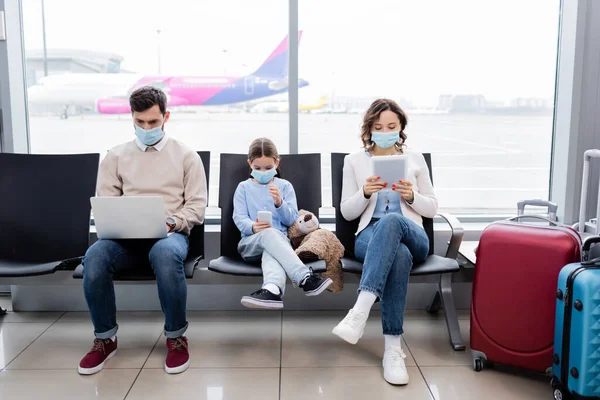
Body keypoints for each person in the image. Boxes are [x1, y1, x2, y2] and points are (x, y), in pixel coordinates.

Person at [78, 86, 207, 376]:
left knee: (164, 253)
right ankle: (104, 338)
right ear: (132, 117)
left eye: (152, 122)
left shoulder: (186, 156)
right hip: (124, 239)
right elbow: (106, 203)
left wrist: (172, 223)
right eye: (139, 122)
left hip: (170, 235)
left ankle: (176, 337)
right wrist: (116, 222)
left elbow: (197, 207)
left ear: (166, 117)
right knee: (95, 256)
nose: (146, 128)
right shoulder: (116, 156)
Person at [331, 99, 437, 386]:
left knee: (393, 223)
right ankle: (392, 350)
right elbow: (347, 212)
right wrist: (365, 193)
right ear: (370, 129)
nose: (385, 131)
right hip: (370, 236)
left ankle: (360, 310)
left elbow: (432, 208)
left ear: (401, 128)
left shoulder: (415, 160)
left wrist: (412, 196)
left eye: (391, 126)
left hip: (412, 233)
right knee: (398, 255)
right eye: (378, 127)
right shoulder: (354, 161)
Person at [233, 138, 332, 309]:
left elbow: (290, 219)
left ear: (277, 163)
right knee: (269, 235)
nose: (263, 172)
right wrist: (252, 226)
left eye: (268, 168)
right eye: (257, 168)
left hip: (279, 245)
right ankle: (304, 277)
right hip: (250, 244)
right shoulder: (243, 188)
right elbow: (239, 217)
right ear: (250, 164)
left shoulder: (285, 187)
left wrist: (279, 203)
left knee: (272, 247)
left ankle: (272, 290)